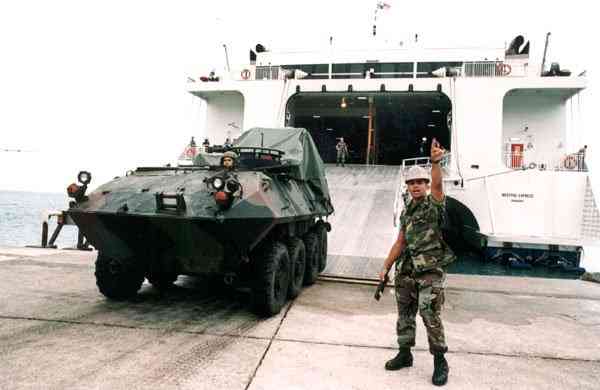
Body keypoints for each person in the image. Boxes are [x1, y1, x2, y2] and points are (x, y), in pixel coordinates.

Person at [378, 138, 455, 386]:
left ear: (426, 184)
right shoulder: (406, 211)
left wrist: (435, 162)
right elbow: (400, 242)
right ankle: (405, 353)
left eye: (420, 182)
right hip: (407, 270)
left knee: (429, 313)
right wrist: (386, 266)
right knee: (405, 314)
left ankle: (440, 361)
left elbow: (439, 186)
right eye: (411, 183)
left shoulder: (434, 205)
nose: (416, 186)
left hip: (430, 271)